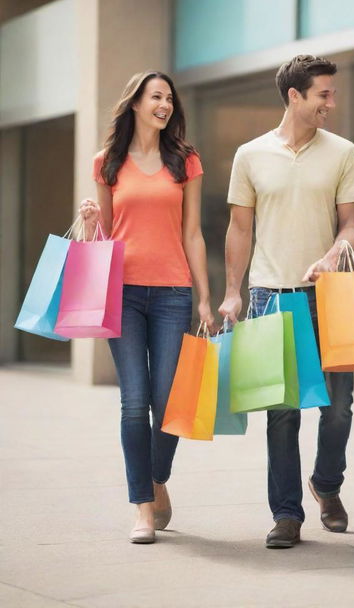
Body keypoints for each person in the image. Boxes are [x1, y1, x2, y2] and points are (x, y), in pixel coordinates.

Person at [218, 54, 354, 549]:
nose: (332, 102)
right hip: (270, 295)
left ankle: (326, 482)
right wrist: (233, 292)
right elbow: (240, 227)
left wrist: (334, 252)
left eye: (332, 93)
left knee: (339, 407)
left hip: (330, 295)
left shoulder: (342, 152)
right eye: (324, 93)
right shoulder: (250, 154)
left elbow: (352, 224)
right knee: (281, 412)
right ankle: (286, 514)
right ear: (294, 96)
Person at [80, 71, 215, 544]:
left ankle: (158, 479)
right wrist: (93, 222)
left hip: (173, 294)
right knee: (134, 403)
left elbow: (193, 233)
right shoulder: (108, 163)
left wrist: (204, 296)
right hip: (124, 294)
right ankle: (142, 506)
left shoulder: (185, 160)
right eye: (155, 96)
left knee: (168, 402)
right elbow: (105, 240)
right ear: (135, 102)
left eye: (169, 98)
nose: (164, 104)